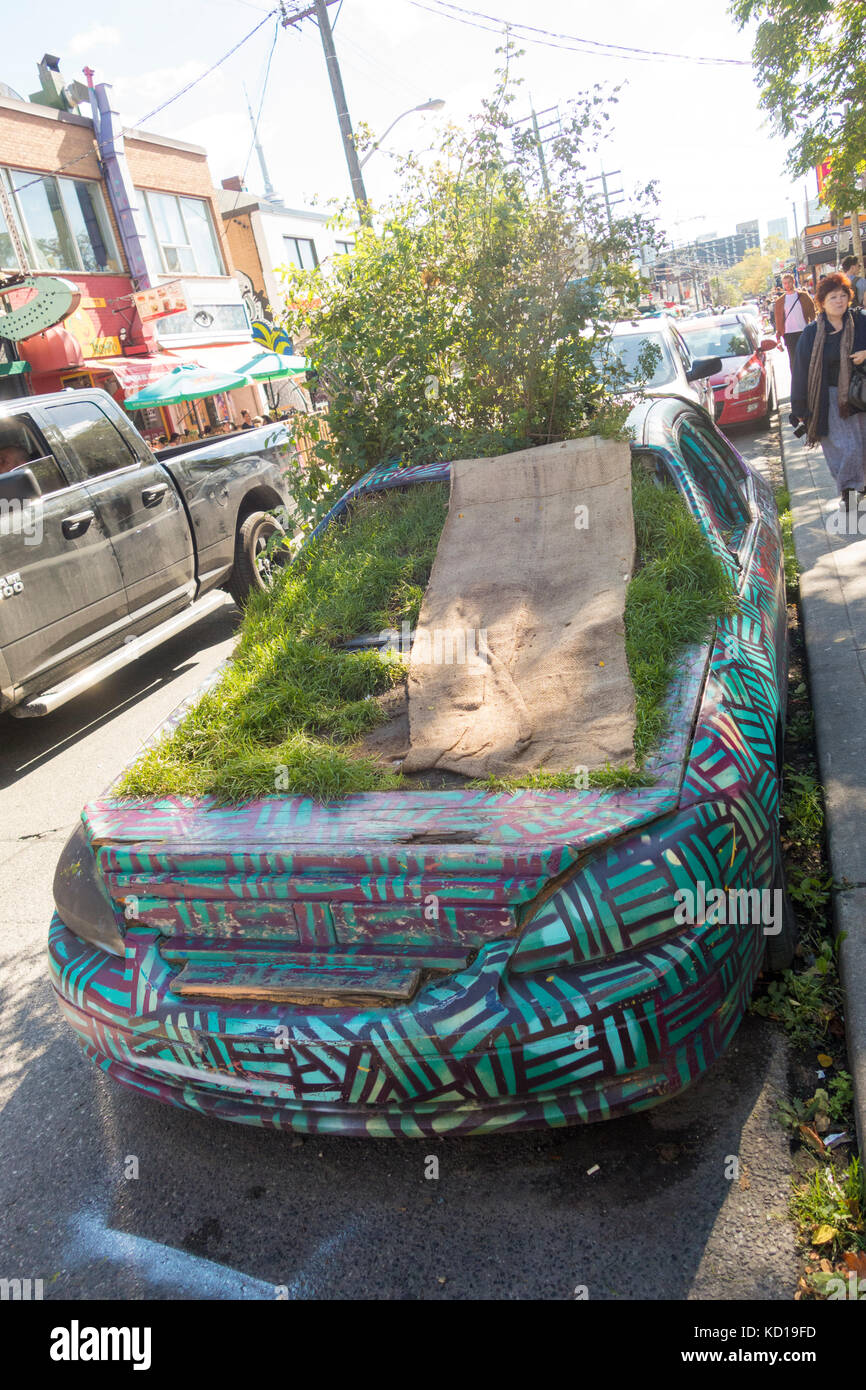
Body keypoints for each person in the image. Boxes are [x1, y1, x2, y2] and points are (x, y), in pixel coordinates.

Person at [790, 272, 866, 518]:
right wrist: (799, 409)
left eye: (844, 295)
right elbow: (801, 371)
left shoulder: (861, 321)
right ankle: (850, 492)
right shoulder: (812, 333)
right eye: (833, 297)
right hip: (830, 400)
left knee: (861, 447)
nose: (839, 301)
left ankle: (856, 487)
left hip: (860, 396)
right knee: (846, 448)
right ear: (822, 302)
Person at [774, 274, 816, 363]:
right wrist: (778, 339)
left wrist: (813, 328)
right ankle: (796, 377)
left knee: (807, 358)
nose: (787, 285)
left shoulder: (803, 296)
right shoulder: (780, 301)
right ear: (782, 284)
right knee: (794, 361)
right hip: (788, 334)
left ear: (793, 282)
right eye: (785, 283)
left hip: (804, 331)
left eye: (789, 282)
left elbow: (812, 312)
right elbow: (778, 321)